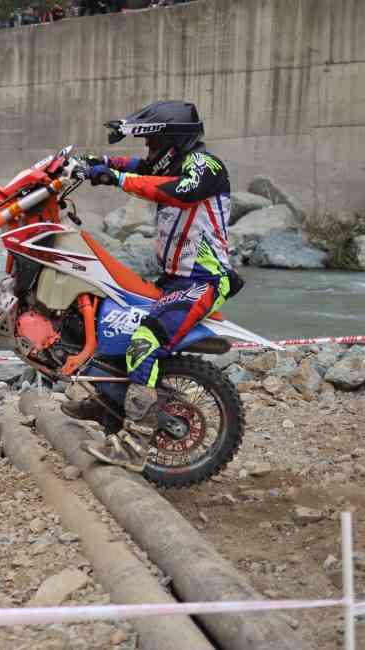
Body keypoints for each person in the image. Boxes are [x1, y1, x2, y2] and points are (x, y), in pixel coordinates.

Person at [64, 100, 239, 471]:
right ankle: (109, 404)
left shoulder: (204, 166)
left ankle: (136, 444)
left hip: (203, 281)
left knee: (145, 342)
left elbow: (177, 191)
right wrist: (99, 164)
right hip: (173, 279)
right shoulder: (171, 162)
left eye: (152, 145)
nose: (149, 153)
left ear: (171, 141)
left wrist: (116, 178)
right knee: (109, 328)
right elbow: (137, 167)